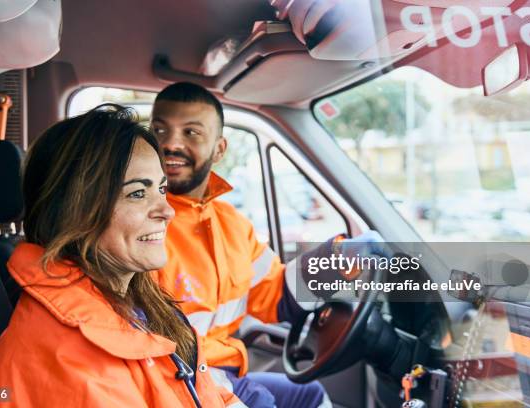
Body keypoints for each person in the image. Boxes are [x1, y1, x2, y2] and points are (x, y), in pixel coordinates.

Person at [0, 104, 244, 408]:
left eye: (162, 189)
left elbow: (278, 289)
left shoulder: (140, 301)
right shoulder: (73, 359)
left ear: (220, 149)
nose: (168, 211)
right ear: (78, 208)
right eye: (138, 193)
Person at [151, 82, 386, 408]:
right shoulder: (142, 225)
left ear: (219, 149)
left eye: (191, 133)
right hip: (179, 378)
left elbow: (274, 294)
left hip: (221, 367)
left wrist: (340, 259)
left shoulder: (230, 222)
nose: (170, 144)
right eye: (159, 130)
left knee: (312, 396)